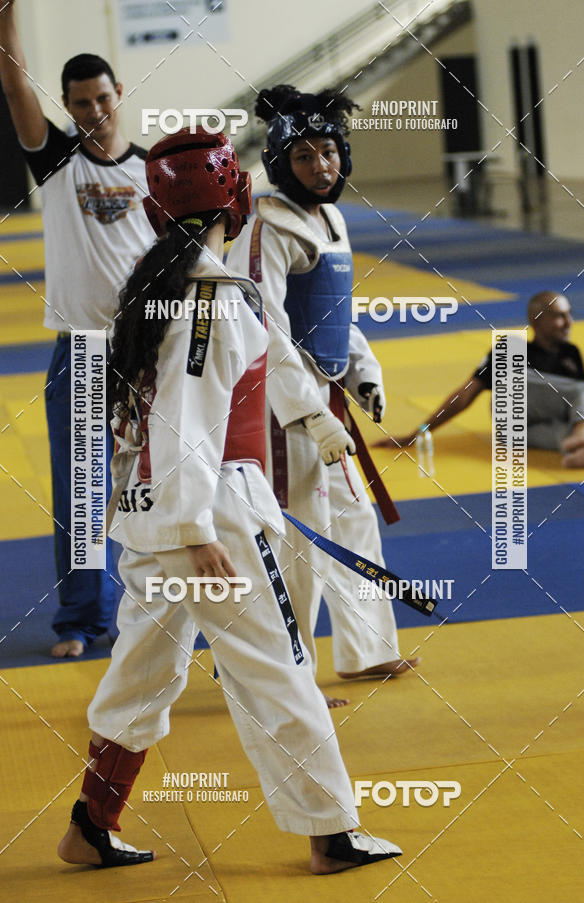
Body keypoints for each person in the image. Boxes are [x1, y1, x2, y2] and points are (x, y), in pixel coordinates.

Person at [57, 128, 401, 874]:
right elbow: (186, 416)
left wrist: (314, 423)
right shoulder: (210, 298)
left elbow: (156, 412)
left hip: (150, 515)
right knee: (278, 665)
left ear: (158, 211)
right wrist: (195, 527)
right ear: (237, 201)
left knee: (144, 673)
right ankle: (332, 833)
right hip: (209, 513)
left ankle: (91, 824)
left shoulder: (161, 288)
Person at [226, 85, 419, 708]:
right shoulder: (268, 227)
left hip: (325, 399)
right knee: (298, 539)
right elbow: (265, 330)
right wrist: (310, 415)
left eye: (328, 152)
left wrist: (364, 374)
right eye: (304, 156)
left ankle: (368, 649)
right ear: (281, 163)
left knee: (355, 522)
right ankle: (288, 676)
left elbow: (336, 312)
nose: (320, 166)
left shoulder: (329, 220)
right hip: (282, 412)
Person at [0, 0, 155, 657]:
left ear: (119, 93)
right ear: (66, 107)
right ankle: (83, 618)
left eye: (102, 98)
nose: (94, 111)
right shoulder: (57, 161)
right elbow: (15, 85)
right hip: (84, 352)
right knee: (83, 493)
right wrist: (6, 15)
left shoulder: (152, 170)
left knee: (160, 484)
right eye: (81, 103)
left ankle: (156, 612)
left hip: (146, 352)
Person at [376, 291, 584, 463]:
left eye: (569, 314)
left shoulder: (570, 353)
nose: (569, 322)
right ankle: (583, 434)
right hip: (510, 412)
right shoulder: (511, 348)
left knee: (582, 431)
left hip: (516, 435)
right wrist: (416, 434)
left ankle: (581, 453)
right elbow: (465, 395)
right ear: (537, 320)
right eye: (560, 316)